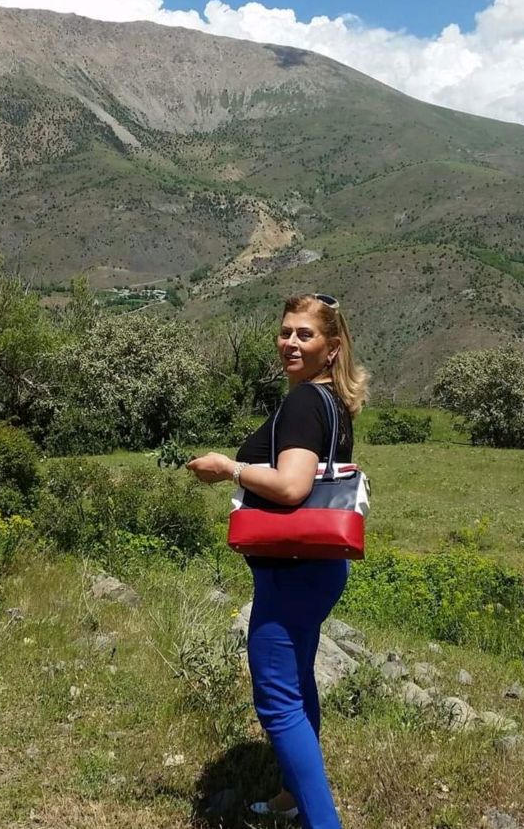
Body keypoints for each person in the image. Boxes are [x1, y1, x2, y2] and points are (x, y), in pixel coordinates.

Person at [187, 293, 369, 829]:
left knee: (276, 699)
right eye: (286, 331)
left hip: (290, 572)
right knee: (298, 680)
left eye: (304, 334)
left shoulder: (304, 403)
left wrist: (227, 467)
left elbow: (291, 486)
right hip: (318, 566)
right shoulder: (331, 401)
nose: (290, 342)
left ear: (331, 349)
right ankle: (292, 795)